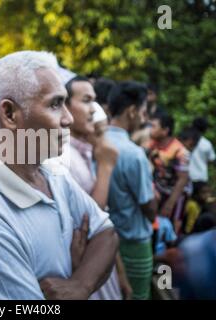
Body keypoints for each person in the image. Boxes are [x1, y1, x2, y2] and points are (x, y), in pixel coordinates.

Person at [0, 51, 119, 300]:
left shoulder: (52, 172)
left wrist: (79, 284)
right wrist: (79, 272)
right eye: (55, 104)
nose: (68, 118)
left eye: (65, 102)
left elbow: (106, 233)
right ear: (9, 114)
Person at [64, 75, 132, 300]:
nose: (93, 109)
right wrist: (105, 168)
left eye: (94, 101)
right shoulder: (65, 157)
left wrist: (120, 273)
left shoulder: (84, 152)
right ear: (64, 106)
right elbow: (91, 219)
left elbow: (105, 223)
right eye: (85, 100)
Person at [105, 81, 157, 300]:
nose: (144, 119)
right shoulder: (134, 154)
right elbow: (149, 207)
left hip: (104, 244)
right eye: (143, 112)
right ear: (132, 111)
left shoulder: (96, 143)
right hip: (133, 243)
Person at [148, 111, 190, 234]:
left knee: (171, 226)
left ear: (165, 130)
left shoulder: (180, 152)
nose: (150, 129)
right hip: (159, 190)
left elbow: (182, 180)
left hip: (176, 195)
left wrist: (170, 204)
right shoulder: (153, 145)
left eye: (153, 126)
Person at [189, 117, 216, 183]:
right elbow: (213, 160)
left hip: (188, 177)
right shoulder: (206, 143)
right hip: (201, 177)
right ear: (205, 129)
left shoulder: (185, 140)